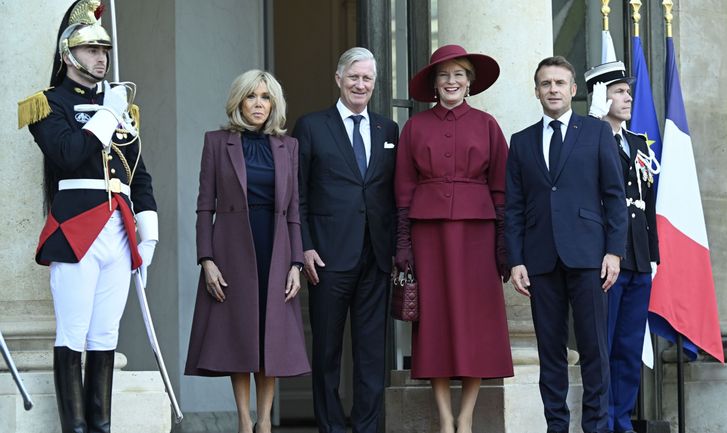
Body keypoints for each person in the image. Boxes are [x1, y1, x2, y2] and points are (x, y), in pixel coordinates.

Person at [18, 1, 158, 432]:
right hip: (76, 229)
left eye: (105, 50)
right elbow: (68, 154)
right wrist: (107, 112)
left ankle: (100, 426)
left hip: (119, 230)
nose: (101, 58)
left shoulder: (120, 106)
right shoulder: (47, 104)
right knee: (73, 333)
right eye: (92, 50)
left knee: (105, 337)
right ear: (68, 55)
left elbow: (139, 175)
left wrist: (148, 234)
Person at [393, 44, 513, 433]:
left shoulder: (488, 124)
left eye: (459, 74)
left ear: (470, 82)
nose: (451, 81)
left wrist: (502, 246)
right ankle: (445, 419)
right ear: (434, 83)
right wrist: (403, 245)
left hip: (478, 235)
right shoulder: (415, 127)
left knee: (476, 324)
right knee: (435, 324)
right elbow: (403, 192)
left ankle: (467, 418)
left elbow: (502, 190)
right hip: (428, 236)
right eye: (444, 75)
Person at [504, 56, 627, 433]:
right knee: (550, 352)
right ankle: (555, 427)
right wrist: (516, 260)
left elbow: (614, 196)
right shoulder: (521, 142)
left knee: (594, 350)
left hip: (589, 256)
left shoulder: (595, 133)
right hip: (540, 260)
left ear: (573, 90)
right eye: (546, 83)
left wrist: (614, 251)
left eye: (560, 83)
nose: (553, 89)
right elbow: (514, 207)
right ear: (536, 90)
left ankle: (595, 427)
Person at [184, 69, 310, 433]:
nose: (259, 104)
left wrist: (296, 263)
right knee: (241, 332)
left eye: (266, 97)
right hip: (231, 249)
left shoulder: (289, 146)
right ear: (239, 101)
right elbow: (204, 206)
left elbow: (295, 210)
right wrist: (206, 260)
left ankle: (265, 421)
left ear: (275, 104)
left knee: (270, 334)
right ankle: (243, 420)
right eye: (252, 96)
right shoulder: (216, 142)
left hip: (277, 247)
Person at [293, 47, 399, 433]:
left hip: (376, 255)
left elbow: (391, 192)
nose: (360, 84)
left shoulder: (388, 129)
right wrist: (304, 245)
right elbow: (298, 194)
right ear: (338, 79)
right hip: (326, 256)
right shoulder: (311, 126)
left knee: (372, 353)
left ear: (375, 83)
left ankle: (367, 427)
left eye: (367, 78)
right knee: (327, 352)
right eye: (353, 77)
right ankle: (332, 427)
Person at [584, 61, 660, 433]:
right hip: (606, 257)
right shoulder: (589, 138)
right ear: (600, 95)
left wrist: (654, 254)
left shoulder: (636, 142)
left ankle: (622, 419)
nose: (628, 97)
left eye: (628, 91)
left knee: (628, 347)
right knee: (604, 345)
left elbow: (648, 202)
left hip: (638, 257)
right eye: (618, 91)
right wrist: (595, 125)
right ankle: (603, 421)